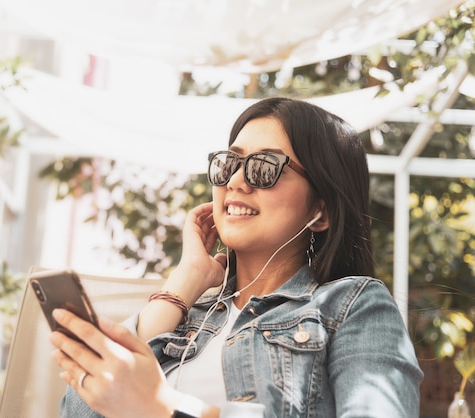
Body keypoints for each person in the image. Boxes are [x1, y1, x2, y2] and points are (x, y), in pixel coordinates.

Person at [49, 97, 423, 417]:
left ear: (321, 211)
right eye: (229, 163)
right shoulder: (186, 316)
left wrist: (164, 407)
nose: (235, 182)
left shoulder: (351, 307)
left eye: (265, 167)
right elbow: (78, 409)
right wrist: (182, 285)